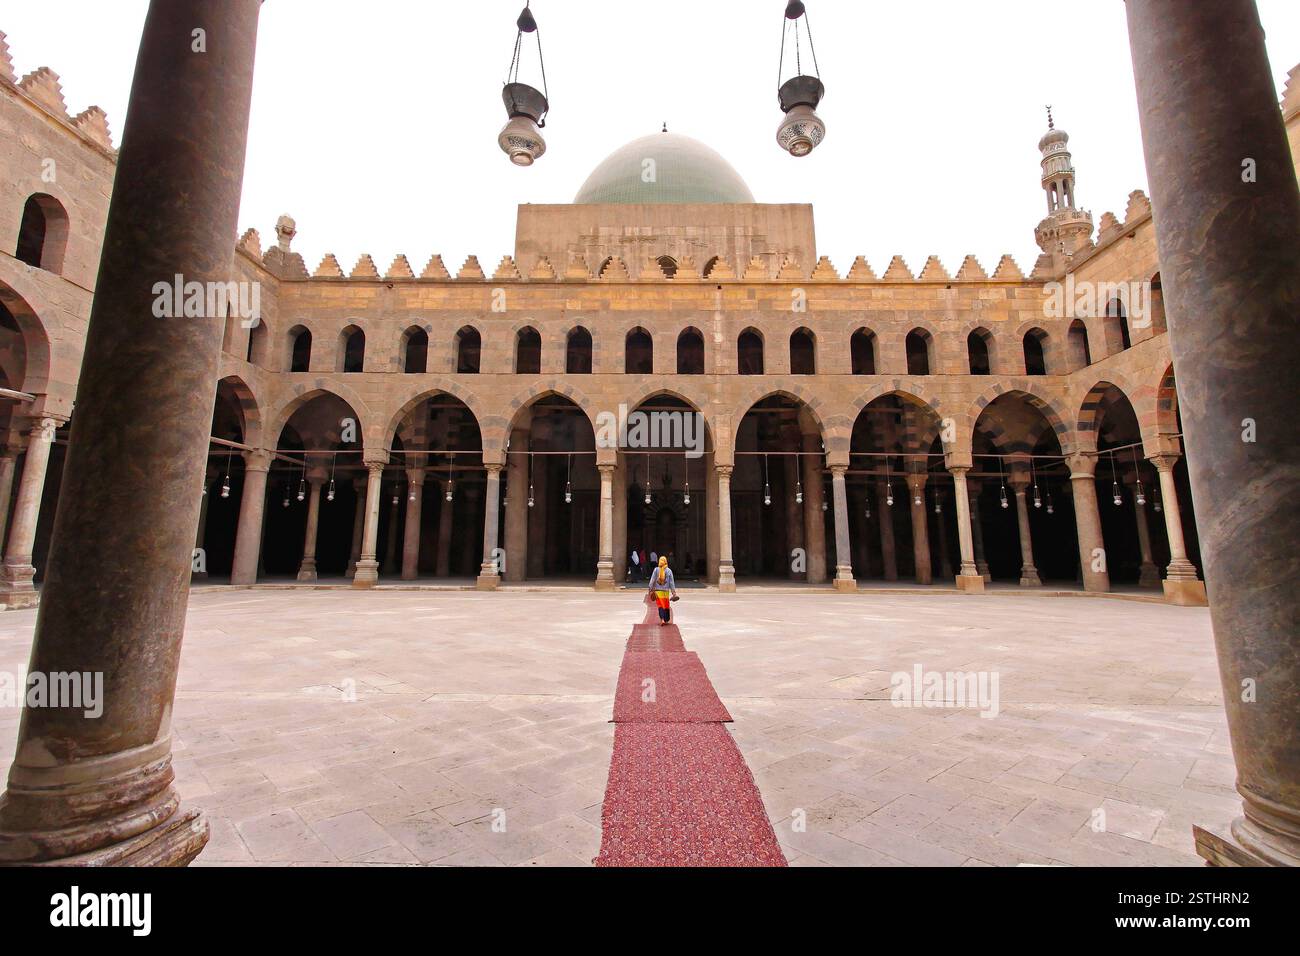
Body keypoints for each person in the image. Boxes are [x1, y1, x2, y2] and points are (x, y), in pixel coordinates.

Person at [648, 555, 678, 626]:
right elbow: (671, 582)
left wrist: (650, 588)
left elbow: (652, 579)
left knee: (660, 606)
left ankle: (662, 619)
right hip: (666, 592)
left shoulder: (656, 570)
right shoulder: (669, 570)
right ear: (665, 561)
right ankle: (666, 619)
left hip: (658, 592)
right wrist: (673, 592)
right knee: (666, 605)